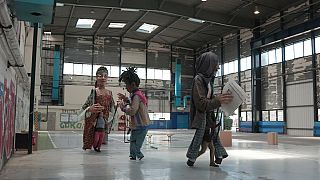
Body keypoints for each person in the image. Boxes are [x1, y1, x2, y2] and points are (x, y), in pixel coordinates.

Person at [186, 51, 233, 167]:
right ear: (208, 64)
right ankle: (192, 157)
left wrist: (219, 100)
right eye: (215, 65)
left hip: (209, 113)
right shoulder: (198, 80)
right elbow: (201, 103)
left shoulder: (209, 81)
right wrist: (218, 100)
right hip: (201, 113)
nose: (217, 67)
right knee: (200, 134)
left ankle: (219, 155)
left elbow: (210, 99)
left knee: (215, 134)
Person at [118, 67, 150, 160]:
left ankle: (138, 154)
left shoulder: (136, 96)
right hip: (137, 125)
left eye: (126, 85)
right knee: (133, 140)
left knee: (136, 142)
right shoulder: (136, 94)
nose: (126, 87)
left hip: (141, 125)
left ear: (132, 84)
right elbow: (134, 104)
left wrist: (123, 108)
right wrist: (126, 99)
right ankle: (133, 155)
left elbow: (132, 110)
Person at [80, 66, 115, 151]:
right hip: (94, 120)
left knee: (101, 138)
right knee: (94, 138)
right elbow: (85, 107)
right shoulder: (94, 91)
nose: (103, 78)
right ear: (96, 77)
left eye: (105, 76)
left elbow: (112, 108)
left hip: (104, 120)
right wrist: (89, 109)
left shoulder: (109, 93)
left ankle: (98, 146)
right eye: (100, 75)